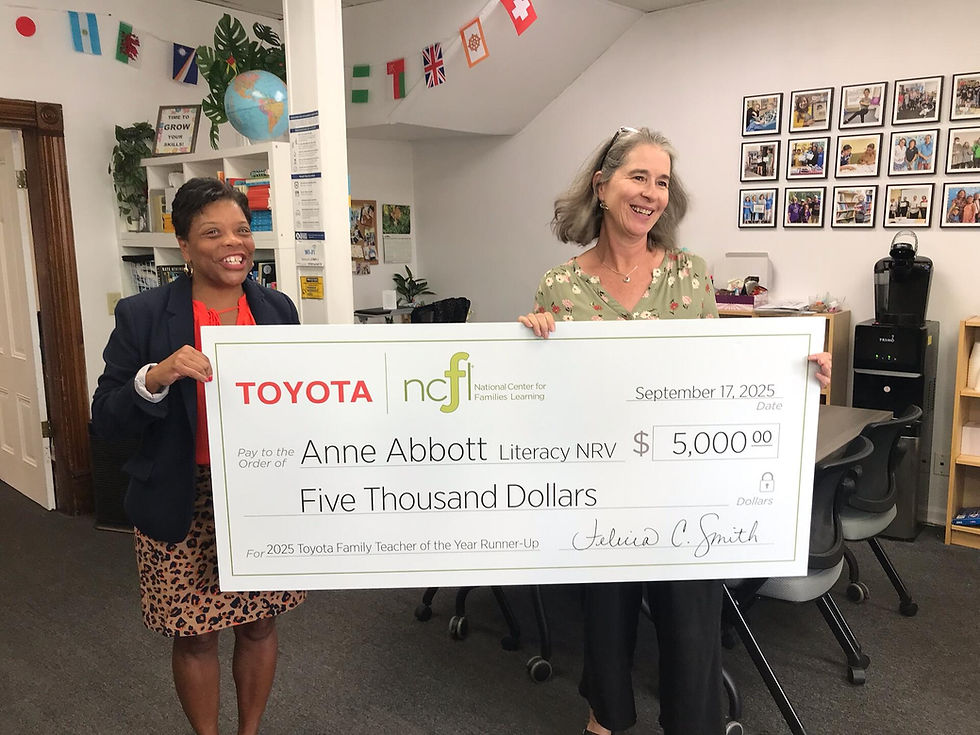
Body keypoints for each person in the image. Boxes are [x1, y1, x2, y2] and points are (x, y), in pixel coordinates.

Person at [517, 127, 831, 735]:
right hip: (601, 491)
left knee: (691, 635)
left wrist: (798, 371)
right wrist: (529, 344)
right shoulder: (560, 286)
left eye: (662, 182)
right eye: (640, 177)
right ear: (602, 186)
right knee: (606, 630)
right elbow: (547, 399)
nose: (652, 193)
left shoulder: (688, 274)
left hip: (686, 491)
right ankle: (605, 716)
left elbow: (719, 372)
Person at [91, 178, 306, 735]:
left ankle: (249, 731)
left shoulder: (277, 308)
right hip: (182, 494)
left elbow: (304, 396)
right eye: (212, 232)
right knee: (195, 632)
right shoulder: (143, 315)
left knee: (259, 624)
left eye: (241, 229)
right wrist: (155, 377)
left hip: (260, 494)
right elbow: (107, 419)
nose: (233, 242)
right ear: (183, 246)